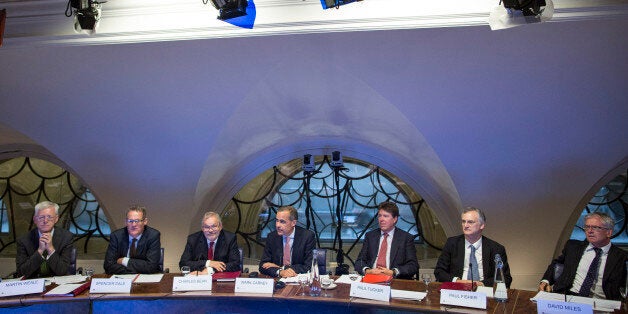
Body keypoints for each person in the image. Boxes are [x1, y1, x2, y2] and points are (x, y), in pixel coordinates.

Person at [539, 212, 628, 300]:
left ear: (609, 232)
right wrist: (546, 281)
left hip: (602, 301)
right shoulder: (573, 247)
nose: (590, 231)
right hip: (568, 296)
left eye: (595, 227)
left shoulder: (622, 257)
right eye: (587, 227)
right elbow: (556, 263)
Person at [434, 207, 512, 288]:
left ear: (482, 225)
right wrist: (458, 281)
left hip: (485, 292)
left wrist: (480, 284)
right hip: (457, 291)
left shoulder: (496, 248)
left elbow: (506, 278)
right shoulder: (452, 243)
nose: (466, 225)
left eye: (470, 222)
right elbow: (439, 271)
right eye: (463, 221)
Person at [355, 201, 419, 279]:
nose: (381, 219)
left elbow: (413, 266)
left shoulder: (406, 238)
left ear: (394, 219)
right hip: (372, 279)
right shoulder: (370, 236)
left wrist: (393, 272)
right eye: (379, 216)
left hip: (395, 281)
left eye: (385, 216)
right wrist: (368, 271)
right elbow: (359, 262)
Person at [16, 201, 74, 279]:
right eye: (41, 217)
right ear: (35, 219)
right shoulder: (23, 240)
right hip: (33, 282)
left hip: (57, 283)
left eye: (49, 217)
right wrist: (40, 251)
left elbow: (62, 271)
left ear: (56, 219)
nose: (45, 221)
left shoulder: (66, 237)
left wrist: (50, 249)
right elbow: (21, 273)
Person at [259, 206, 316, 278]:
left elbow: (309, 266)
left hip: (299, 281)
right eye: (277, 220)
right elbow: (263, 266)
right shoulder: (272, 237)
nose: (277, 225)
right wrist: (280, 272)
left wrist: (281, 268)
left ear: (293, 223)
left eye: (282, 221)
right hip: (278, 281)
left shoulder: (307, 237)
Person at [104, 205, 161, 274]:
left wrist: (124, 261)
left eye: (137, 221)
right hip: (122, 278)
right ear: (126, 222)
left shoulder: (153, 235)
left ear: (145, 221)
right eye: (130, 221)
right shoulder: (116, 236)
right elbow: (108, 265)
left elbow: (151, 266)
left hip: (146, 278)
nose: (134, 225)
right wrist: (131, 271)